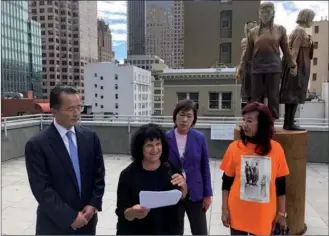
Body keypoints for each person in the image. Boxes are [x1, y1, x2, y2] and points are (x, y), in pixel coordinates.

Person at [25, 86, 106, 235]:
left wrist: (93, 204)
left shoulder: (90, 137)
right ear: (54, 111)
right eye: (70, 109)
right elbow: (41, 189)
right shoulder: (37, 144)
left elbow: (99, 175)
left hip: (87, 221)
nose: (77, 113)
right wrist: (70, 217)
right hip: (54, 224)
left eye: (78, 107)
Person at [220, 102, 289, 235]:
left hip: (263, 215)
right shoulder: (234, 147)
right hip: (238, 213)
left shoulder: (276, 149)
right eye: (244, 120)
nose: (244, 124)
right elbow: (226, 182)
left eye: (250, 121)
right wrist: (224, 209)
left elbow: (281, 185)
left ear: (262, 124)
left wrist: (281, 213)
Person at [115, 123, 188, 235]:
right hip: (138, 230)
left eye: (158, 144)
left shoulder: (171, 168)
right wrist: (133, 212)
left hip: (168, 230)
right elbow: (121, 211)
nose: (155, 149)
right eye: (149, 145)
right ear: (140, 148)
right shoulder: (128, 175)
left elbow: (181, 199)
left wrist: (184, 188)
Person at [167, 99, 213, 235]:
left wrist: (207, 194)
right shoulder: (165, 138)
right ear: (175, 116)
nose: (185, 120)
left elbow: (205, 166)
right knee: (175, 231)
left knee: (200, 231)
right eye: (181, 114)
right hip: (173, 191)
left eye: (189, 116)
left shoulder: (199, 138)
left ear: (194, 119)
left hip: (195, 192)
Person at [280, 9, 315, 130]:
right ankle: (289, 123)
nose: (313, 21)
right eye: (312, 18)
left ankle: (289, 122)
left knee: (293, 94)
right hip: (297, 65)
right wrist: (293, 66)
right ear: (307, 18)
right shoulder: (300, 31)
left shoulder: (298, 30)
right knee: (293, 94)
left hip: (298, 65)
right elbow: (294, 50)